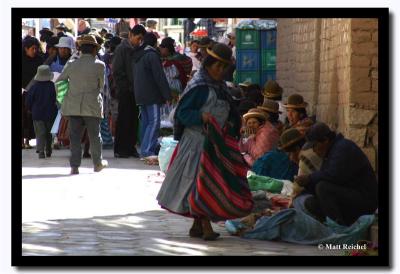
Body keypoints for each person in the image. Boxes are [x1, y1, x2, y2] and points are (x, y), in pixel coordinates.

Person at [157, 43, 242, 241]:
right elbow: (182, 113)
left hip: (214, 143)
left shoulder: (221, 88)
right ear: (208, 65)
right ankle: (205, 225)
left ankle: (197, 225)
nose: (220, 71)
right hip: (196, 144)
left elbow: (229, 112)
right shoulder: (199, 86)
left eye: (224, 67)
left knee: (206, 183)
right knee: (200, 182)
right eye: (217, 66)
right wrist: (201, 116)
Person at [294, 122, 378, 226]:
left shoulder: (343, 148)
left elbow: (334, 176)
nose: (314, 151)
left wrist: (309, 178)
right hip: (349, 198)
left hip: (364, 200)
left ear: (325, 140)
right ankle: (334, 223)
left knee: (322, 188)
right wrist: (304, 189)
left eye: (315, 146)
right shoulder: (331, 151)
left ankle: (338, 227)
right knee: (310, 202)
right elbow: (324, 176)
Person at [56, 35, 108, 175]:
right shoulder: (100, 65)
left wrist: (63, 99)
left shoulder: (72, 64)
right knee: (95, 136)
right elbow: (101, 86)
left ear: (80, 49)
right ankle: (97, 163)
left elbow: (60, 82)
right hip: (92, 106)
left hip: (73, 106)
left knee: (75, 137)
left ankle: (74, 166)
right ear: (94, 50)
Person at [132, 32, 172, 160]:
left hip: (141, 94)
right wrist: (167, 94)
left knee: (146, 123)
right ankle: (147, 151)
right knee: (154, 122)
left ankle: (145, 148)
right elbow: (159, 77)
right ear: (154, 44)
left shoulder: (138, 54)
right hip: (151, 94)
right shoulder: (151, 55)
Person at [112, 24, 146, 158]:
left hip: (135, 91)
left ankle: (130, 147)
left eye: (141, 39)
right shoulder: (122, 49)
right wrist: (125, 87)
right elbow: (117, 70)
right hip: (125, 90)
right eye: (138, 38)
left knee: (133, 120)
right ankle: (121, 149)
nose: (139, 42)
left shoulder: (138, 49)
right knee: (124, 120)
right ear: (131, 35)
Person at [25, 65, 58, 158]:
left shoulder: (34, 87)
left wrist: (29, 109)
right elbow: (56, 99)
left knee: (40, 133)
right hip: (50, 113)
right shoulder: (52, 86)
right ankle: (48, 150)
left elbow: (28, 101)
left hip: (37, 114)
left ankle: (40, 151)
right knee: (49, 133)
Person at [22, 36, 43, 149]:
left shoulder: (39, 60)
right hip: (22, 92)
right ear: (26, 49)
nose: (34, 51)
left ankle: (27, 140)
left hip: (35, 93)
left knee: (31, 117)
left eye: (36, 49)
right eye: (32, 49)